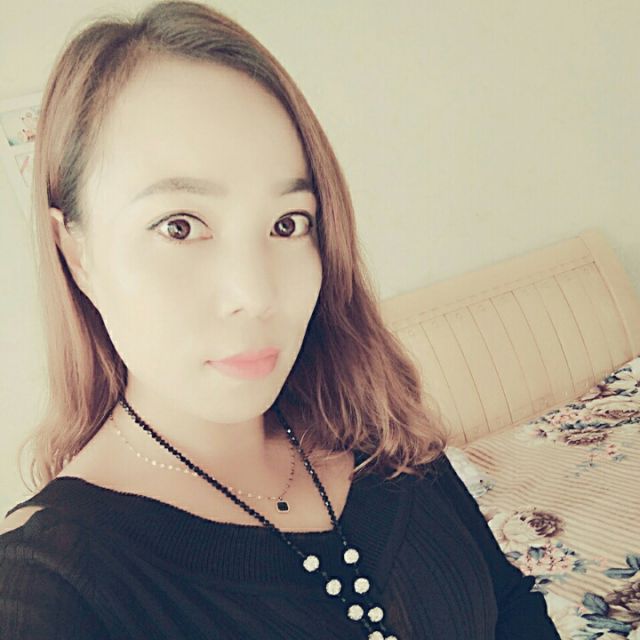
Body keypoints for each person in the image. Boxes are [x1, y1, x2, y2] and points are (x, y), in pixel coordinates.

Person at [0, 2, 562, 638]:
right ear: (76, 252)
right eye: (179, 226)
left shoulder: (377, 432)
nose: (256, 293)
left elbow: (512, 606)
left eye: (288, 223)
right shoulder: (50, 590)